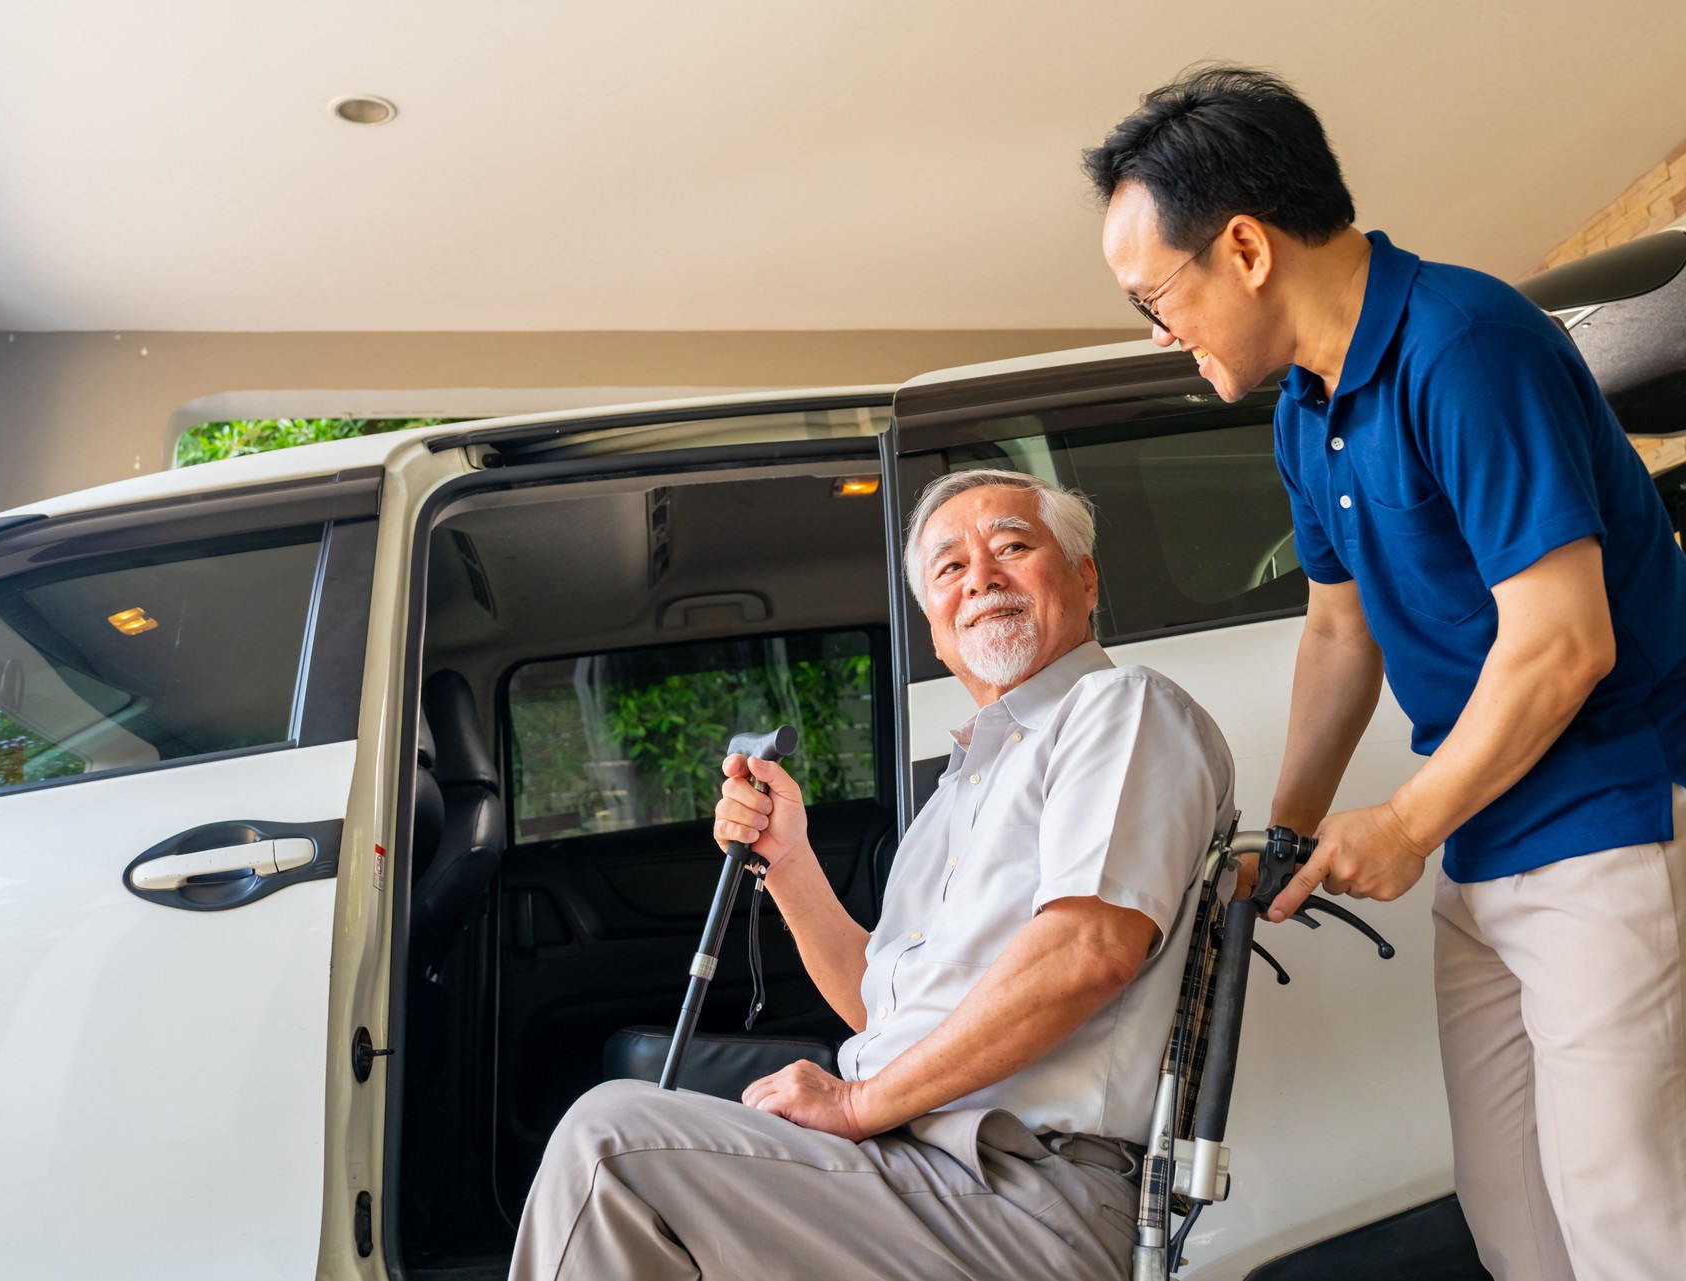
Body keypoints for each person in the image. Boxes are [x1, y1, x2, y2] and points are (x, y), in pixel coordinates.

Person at [1085, 66, 1686, 1281]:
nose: (1162, 335)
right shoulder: (1305, 410)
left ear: (1244, 247)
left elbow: (1567, 640)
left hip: (1608, 821)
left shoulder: (1465, 346)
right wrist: (1293, 832)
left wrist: (1407, 820)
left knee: (1624, 1213)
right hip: (1490, 839)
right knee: (1513, 1210)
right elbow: (1338, 637)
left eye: (1159, 297)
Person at [508, 469, 1234, 1281]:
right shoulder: (956, 790)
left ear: (1085, 577)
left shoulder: (1117, 707)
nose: (981, 578)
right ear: (933, 625)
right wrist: (787, 862)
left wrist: (856, 1104)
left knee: (612, 1144)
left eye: (1012, 547)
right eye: (949, 569)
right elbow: (881, 1006)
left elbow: (1087, 950)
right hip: (915, 1167)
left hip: (1020, 1189)